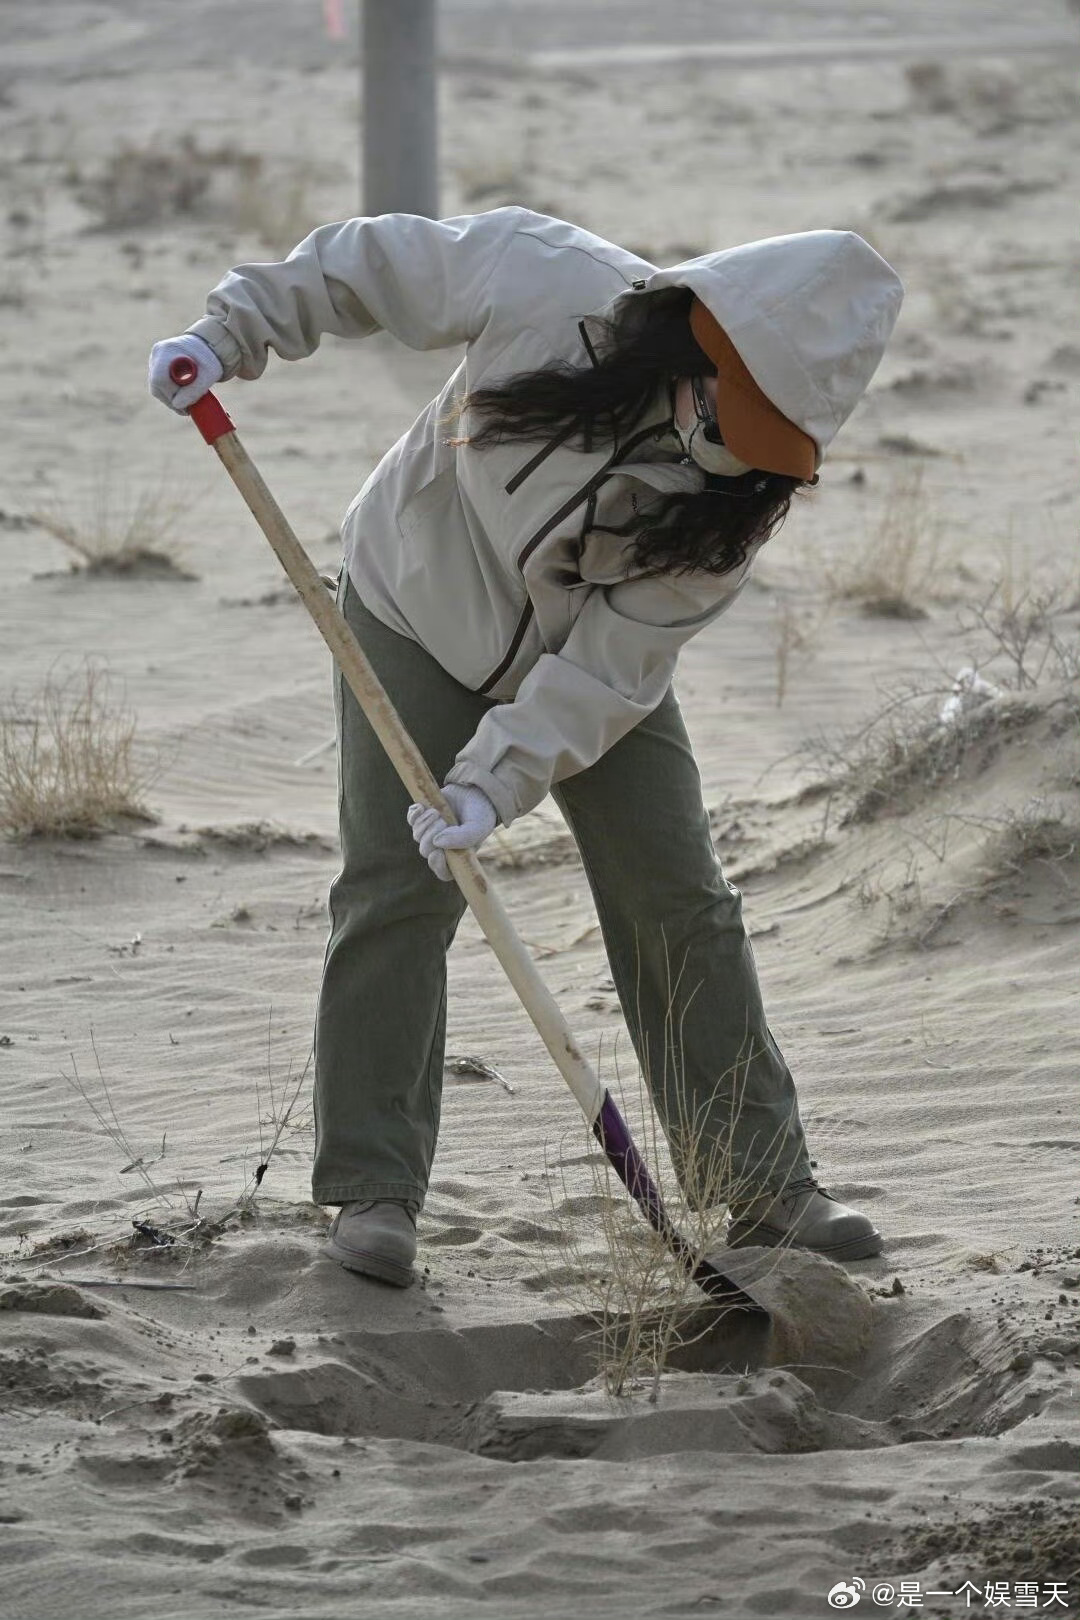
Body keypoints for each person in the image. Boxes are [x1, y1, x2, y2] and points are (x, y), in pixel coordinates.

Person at [149, 206, 903, 1288]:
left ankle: (765, 1182)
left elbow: (605, 673)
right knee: (398, 884)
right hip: (411, 610)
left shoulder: (730, 513)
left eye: (769, 445)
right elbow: (362, 266)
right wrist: (229, 334)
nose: (740, 458)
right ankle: (374, 1189)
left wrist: (494, 783)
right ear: (699, 352)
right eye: (738, 422)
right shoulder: (545, 278)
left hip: (577, 661)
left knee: (676, 895)